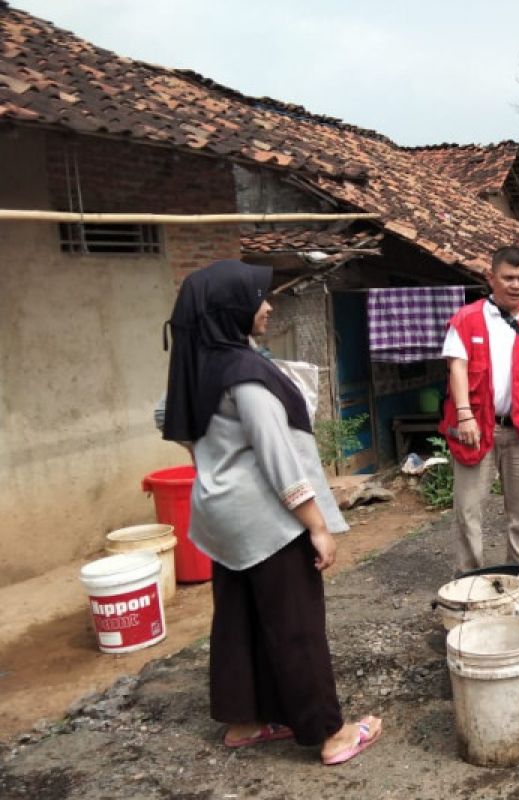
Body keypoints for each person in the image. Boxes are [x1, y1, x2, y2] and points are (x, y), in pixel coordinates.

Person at [162, 259, 382, 766]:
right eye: (258, 298)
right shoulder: (244, 374)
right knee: (296, 625)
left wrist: (210, 455)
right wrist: (317, 525)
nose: (267, 306)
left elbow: (165, 414)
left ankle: (244, 722)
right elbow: (276, 456)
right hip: (265, 521)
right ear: (232, 309)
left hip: (221, 520)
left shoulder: (200, 363)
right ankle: (330, 733)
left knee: (238, 618)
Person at [439, 246, 519, 574]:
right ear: (491, 278)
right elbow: (457, 367)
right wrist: (465, 414)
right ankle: (470, 582)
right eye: (508, 277)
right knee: (468, 512)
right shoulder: (466, 319)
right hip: (476, 429)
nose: (516, 285)